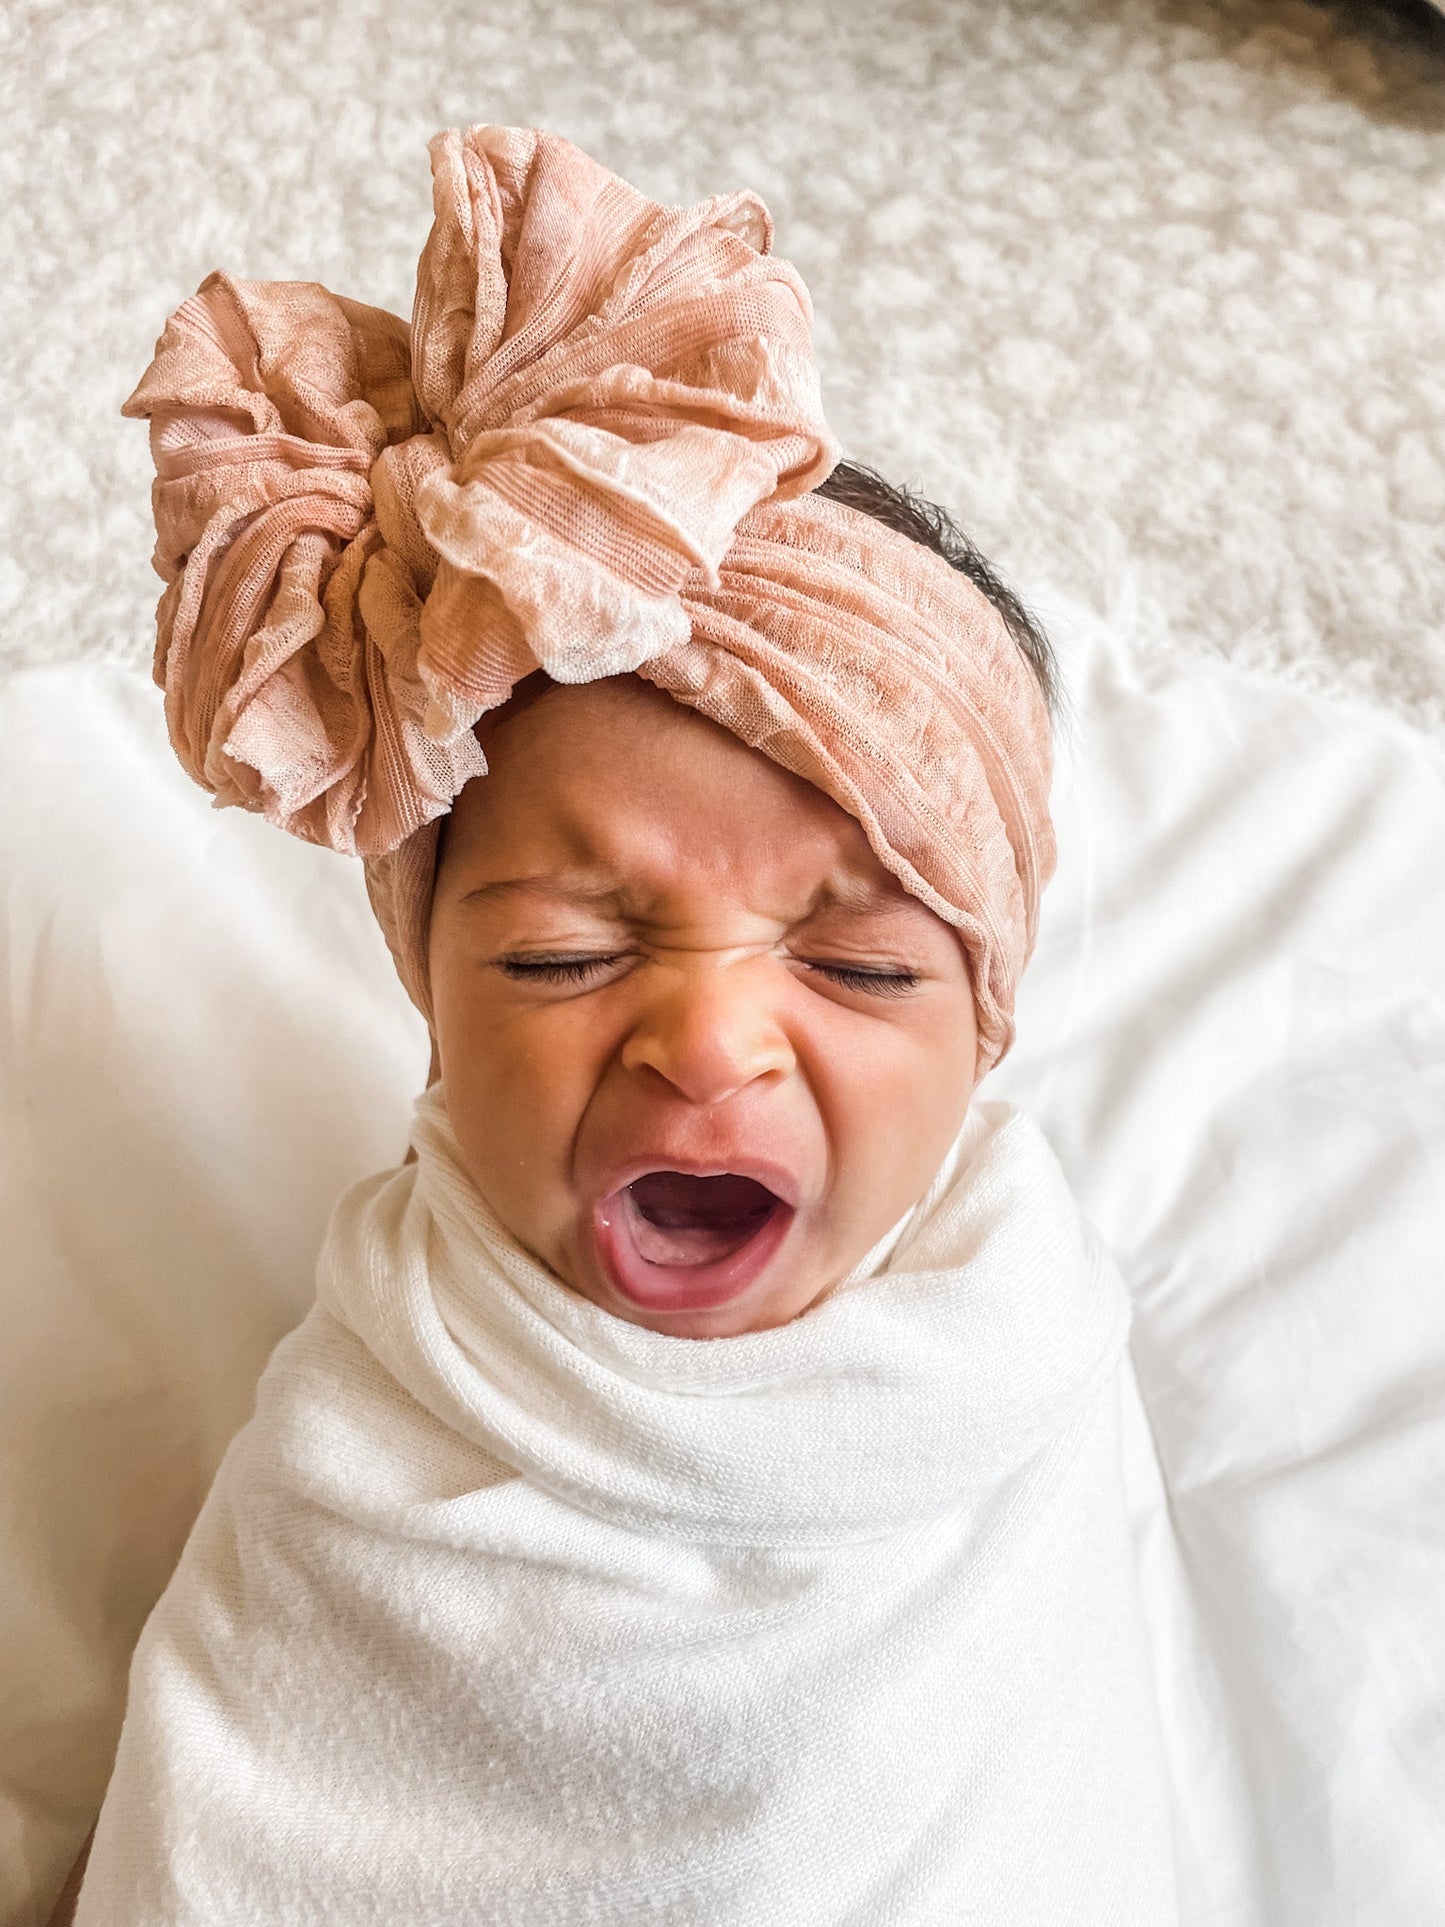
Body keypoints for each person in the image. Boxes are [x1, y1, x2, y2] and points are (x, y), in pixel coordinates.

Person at [63, 124, 1177, 1923]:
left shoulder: (1025, 1356)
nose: (708, 1044)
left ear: (986, 1030)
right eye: (564, 959)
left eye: (865, 968)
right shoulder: (356, 1471)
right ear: (429, 1002)